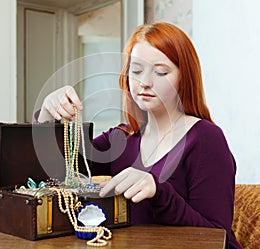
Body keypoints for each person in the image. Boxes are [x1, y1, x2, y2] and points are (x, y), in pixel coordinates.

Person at [36, 22, 241, 249]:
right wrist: (47, 113)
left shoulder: (205, 139)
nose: (145, 82)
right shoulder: (123, 137)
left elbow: (217, 237)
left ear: (185, 77)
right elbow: (59, 166)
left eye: (161, 72)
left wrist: (159, 191)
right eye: (136, 71)